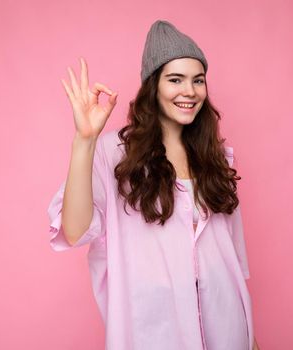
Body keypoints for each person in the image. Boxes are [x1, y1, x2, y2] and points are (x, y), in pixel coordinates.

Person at [48, 20, 260, 350]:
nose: (189, 91)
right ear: (153, 86)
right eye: (175, 79)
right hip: (153, 333)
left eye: (198, 80)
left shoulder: (216, 157)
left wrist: (251, 341)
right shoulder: (113, 156)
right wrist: (84, 141)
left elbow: (234, 263)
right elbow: (74, 230)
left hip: (228, 331)